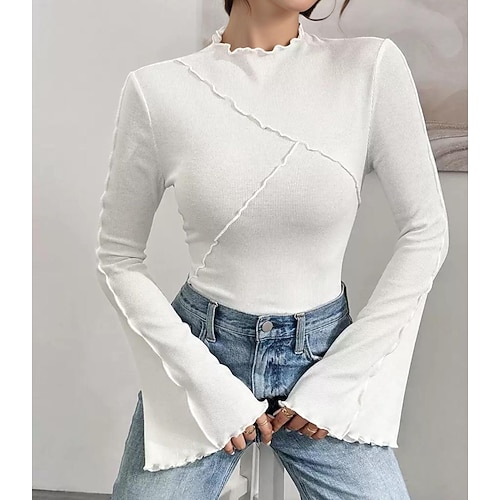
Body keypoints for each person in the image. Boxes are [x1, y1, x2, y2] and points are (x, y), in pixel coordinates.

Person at [95, 0, 449, 498]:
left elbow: (426, 232)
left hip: (325, 360)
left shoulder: (369, 69)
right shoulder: (157, 90)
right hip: (204, 354)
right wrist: (206, 385)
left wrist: (339, 379)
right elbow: (118, 257)